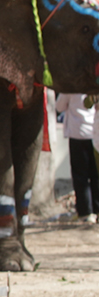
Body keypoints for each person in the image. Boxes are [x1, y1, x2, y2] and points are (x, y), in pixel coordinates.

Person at [57, 91, 99, 223]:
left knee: (80, 176)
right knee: (95, 175)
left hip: (77, 134)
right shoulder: (94, 87)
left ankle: (85, 212)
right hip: (94, 135)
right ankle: (96, 210)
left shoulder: (71, 89)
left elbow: (59, 107)